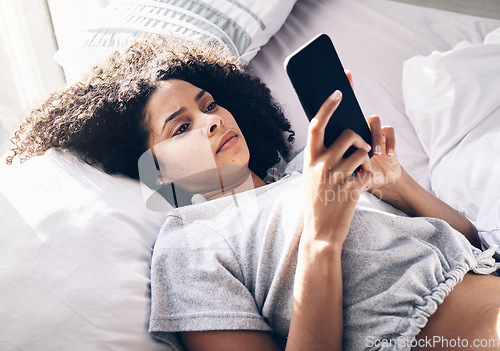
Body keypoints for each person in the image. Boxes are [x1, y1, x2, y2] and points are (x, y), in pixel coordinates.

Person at [6, 35, 500, 350]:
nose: (213, 120)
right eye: (181, 128)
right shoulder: (189, 248)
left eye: (210, 103)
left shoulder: (312, 171)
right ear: (154, 173)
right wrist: (321, 239)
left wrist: (398, 184)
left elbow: (471, 242)